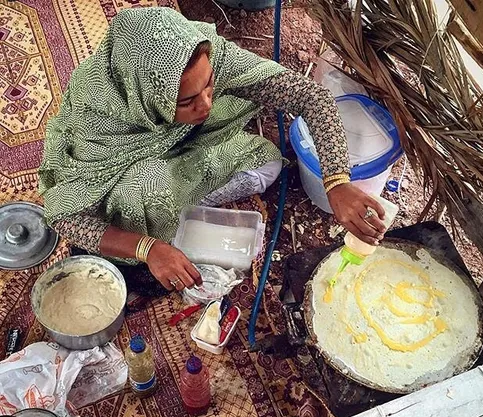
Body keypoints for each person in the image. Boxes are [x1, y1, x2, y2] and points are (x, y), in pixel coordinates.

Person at [40, 7, 386, 293]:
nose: (205, 104)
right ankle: (157, 231)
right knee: (148, 187)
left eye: (209, 85)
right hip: (130, 176)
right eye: (187, 100)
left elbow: (310, 96)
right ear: (145, 97)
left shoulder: (204, 54)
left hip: (183, 144)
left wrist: (337, 181)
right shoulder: (96, 116)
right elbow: (66, 217)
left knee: (267, 162)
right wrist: (148, 248)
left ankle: (183, 207)